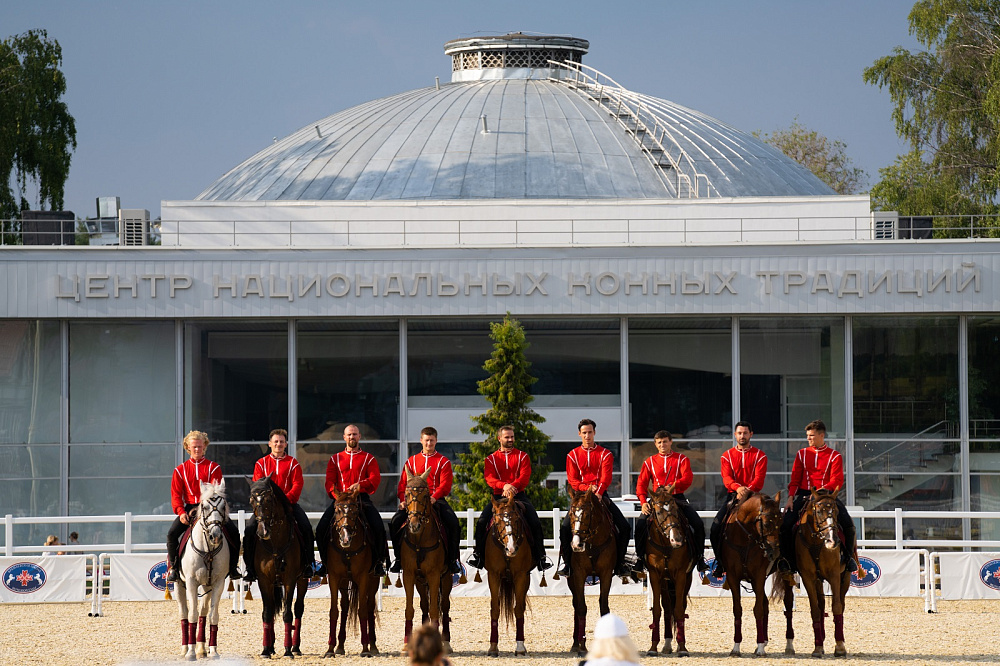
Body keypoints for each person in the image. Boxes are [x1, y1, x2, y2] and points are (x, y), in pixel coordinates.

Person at [466, 425, 551, 572]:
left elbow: (524, 477)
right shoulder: (491, 459)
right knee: (481, 522)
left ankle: (541, 557)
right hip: (498, 496)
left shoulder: (522, 456)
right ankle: (478, 555)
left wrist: (511, 487)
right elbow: (489, 478)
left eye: (512, 437)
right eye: (507, 437)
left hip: (519, 495)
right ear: (499, 438)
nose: (510, 439)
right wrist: (503, 486)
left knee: (535, 522)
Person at [778, 419, 859, 575]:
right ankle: (786, 560)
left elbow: (837, 480)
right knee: (785, 525)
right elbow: (795, 479)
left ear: (822, 435)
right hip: (804, 495)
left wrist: (822, 490)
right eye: (808, 436)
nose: (808, 438)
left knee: (848, 524)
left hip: (827, 496)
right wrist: (790, 498)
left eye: (812, 436)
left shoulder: (835, 456)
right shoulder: (801, 454)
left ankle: (849, 559)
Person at [556, 419, 632, 578]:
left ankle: (619, 565)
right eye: (584, 433)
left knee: (624, 527)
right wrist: (586, 488)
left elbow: (606, 477)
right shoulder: (572, 455)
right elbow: (572, 480)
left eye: (590, 432)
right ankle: (567, 564)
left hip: (600, 495)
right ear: (579, 434)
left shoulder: (605, 454)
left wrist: (598, 491)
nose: (587, 435)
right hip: (580, 497)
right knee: (564, 528)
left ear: (594, 433)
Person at [166, 430, 241, 583]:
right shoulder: (179, 471)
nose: (197, 450)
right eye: (194, 447)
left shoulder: (214, 468)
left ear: (204, 447)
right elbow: (175, 496)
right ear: (188, 448)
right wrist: (181, 513)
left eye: (200, 447)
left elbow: (217, 492)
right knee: (172, 535)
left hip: (211, 507)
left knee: (234, 533)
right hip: (189, 508)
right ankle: (174, 568)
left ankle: (233, 568)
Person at [316, 423, 389, 577]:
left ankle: (379, 562)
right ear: (344, 437)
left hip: (361, 499)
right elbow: (329, 482)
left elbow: (375, 479)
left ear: (359, 437)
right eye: (349, 434)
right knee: (321, 527)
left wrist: (360, 485)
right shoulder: (335, 459)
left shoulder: (369, 459)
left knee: (378, 526)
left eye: (355, 434)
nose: (352, 437)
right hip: (341, 499)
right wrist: (337, 496)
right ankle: (325, 563)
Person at [243, 428, 315, 583]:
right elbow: (257, 486)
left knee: (306, 527)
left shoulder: (293, 463)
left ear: (286, 444)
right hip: (265, 507)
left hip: (288, 505)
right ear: (270, 444)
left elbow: (297, 484)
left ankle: (309, 564)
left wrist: (285, 500)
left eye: (281, 442)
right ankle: (249, 568)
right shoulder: (261, 463)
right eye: (276, 441)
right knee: (249, 530)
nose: (279, 444)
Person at [633, 430, 707, 576]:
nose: (662, 445)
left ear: (671, 442)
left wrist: (673, 486)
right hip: (656, 501)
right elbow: (641, 484)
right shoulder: (649, 462)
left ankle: (699, 558)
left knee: (697, 524)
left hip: (676, 497)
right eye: (659, 442)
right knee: (641, 525)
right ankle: (640, 559)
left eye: (665, 441)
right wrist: (643, 502)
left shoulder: (682, 459)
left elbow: (687, 478)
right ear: (655, 444)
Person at [390, 427, 461, 574]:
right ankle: (398, 559)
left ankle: (453, 560)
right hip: (413, 502)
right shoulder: (411, 461)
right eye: (426, 440)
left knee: (453, 523)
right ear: (421, 440)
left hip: (436, 500)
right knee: (395, 522)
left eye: (432, 440)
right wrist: (403, 500)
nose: (429, 443)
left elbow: (445, 484)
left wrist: (434, 497)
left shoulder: (443, 461)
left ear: (436, 441)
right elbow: (403, 484)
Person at [709, 421, 767, 577]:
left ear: (751, 434)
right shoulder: (726, 456)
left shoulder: (760, 455)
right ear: (735, 435)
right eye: (739, 433)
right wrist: (738, 488)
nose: (742, 436)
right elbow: (726, 477)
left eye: (745, 433)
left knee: (771, 525)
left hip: (754, 496)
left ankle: (776, 561)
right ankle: (720, 562)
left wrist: (747, 489)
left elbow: (759, 479)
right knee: (715, 528)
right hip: (733, 495)